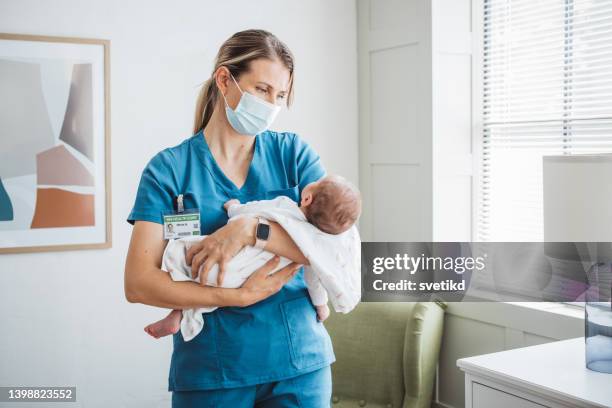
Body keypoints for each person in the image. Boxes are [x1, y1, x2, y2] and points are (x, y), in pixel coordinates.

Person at [124, 29, 336, 407]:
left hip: (299, 363)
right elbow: (139, 283)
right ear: (225, 80)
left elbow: (334, 244)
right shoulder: (169, 171)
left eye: (281, 95)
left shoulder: (293, 155)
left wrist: (252, 230)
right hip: (212, 372)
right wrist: (235, 297)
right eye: (262, 90)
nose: (272, 104)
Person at [144, 174, 362, 341]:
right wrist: (321, 305)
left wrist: (233, 209)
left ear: (306, 197)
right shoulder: (314, 247)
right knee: (212, 293)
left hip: (221, 264)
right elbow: (315, 277)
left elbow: (251, 211)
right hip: (243, 279)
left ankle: (178, 311)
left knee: (186, 259)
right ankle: (180, 316)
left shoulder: (284, 205)